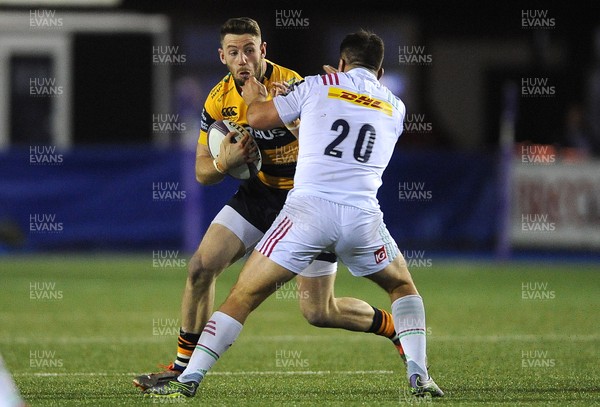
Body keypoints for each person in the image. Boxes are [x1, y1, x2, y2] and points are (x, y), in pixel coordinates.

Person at [143, 29, 443, 399]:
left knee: (256, 298)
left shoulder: (305, 84)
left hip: (304, 208)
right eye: (233, 52)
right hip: (347, 212)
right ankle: (419, 372)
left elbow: (259, 115)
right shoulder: (396, 107)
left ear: (262, 50)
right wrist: (226, 160)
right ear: (380, 74)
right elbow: (204, 171)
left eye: (249, 50)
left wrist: (276, 102)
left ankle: (190, 380)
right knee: (401, 285)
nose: (242, 59)